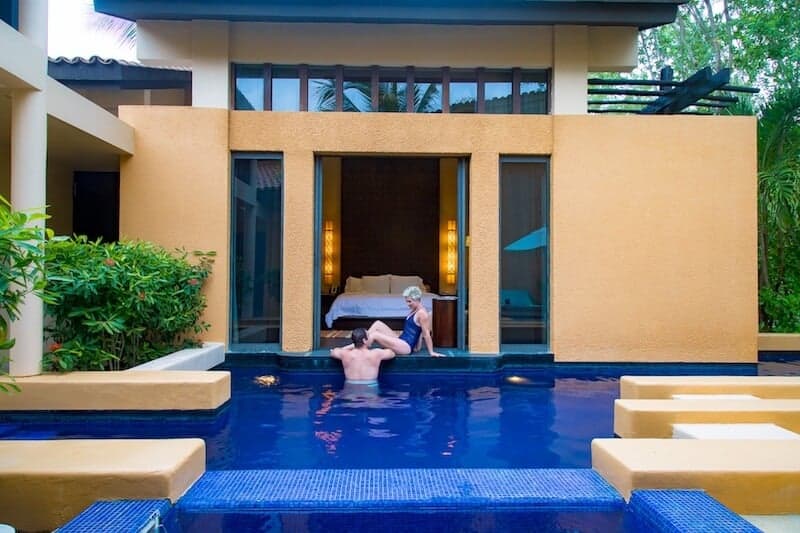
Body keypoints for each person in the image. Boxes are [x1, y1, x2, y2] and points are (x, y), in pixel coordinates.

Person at [364, 285, 445, 357]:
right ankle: (360, 342)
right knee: (378, 324)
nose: (408, 304)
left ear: (417, 300)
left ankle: (360, 349)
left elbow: (426, 334)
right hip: (402, 340)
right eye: (406, 301)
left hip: (406, 346)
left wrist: (431, 352)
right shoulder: (415, 309)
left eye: (410, 301)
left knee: (375, 335)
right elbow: (418, 330)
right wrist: (418, 346)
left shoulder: (422, 313)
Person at [329, 327, 396, 383]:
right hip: (370, 389)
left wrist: (351, 346)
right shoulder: (376, 354)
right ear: (364, 340)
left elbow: (333, 352)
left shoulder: (345, 354)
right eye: (369, 336)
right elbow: (392, 352)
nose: (371, 338)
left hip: (351, 389)